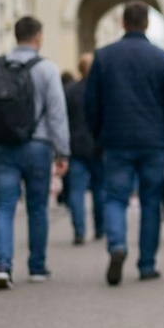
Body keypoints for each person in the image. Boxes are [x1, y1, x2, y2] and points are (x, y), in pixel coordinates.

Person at [84, 0, 164, 286]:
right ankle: (146, 264)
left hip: (115, 140)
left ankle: (117, 245)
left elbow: (90, 103)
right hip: (153, 142)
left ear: (123, 23)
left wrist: (98, 133)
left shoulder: (103, 57)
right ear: (146, 24)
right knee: (150, 202)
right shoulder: (162, 59)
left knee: (115, 197)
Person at [0, 16, 70, 289]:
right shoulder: (47, 69)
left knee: (4, 206)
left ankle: (3, 266)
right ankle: (37, 267)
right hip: (38, 146)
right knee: (37, 207)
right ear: (38, 36)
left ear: (16, 36)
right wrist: (62, 152)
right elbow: (57, 114)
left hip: (4, 146)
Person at [65, 52, 104, 245]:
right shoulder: (101, 91)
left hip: (75, 146)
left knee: (76, 191)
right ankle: (100, 228)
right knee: (100, 189)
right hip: (98, 145)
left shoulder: (70, 90)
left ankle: (79, 231)